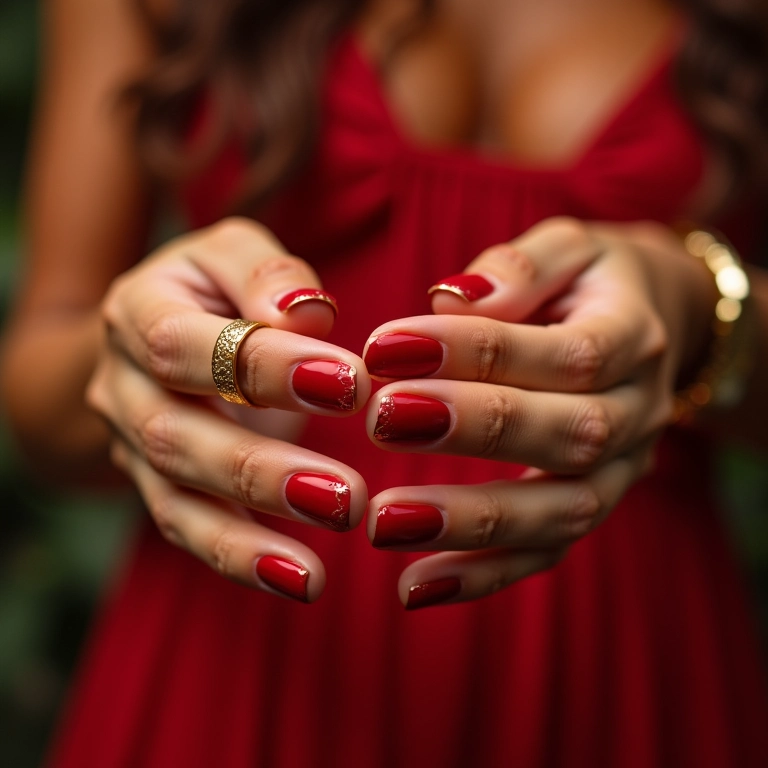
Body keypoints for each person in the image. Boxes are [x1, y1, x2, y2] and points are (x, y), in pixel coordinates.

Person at [2, 0, 768, 765]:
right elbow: (43, 394)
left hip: (625, 656)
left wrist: (704, 312)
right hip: (241, 648)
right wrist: (137, 360)